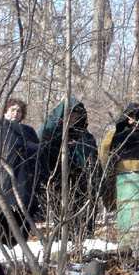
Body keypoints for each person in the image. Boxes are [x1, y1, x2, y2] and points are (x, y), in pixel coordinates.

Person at [38, 98, 101, 238]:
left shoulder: (85, 136)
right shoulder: (51, 133)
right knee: (62, 215)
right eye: (70, 114)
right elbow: (41, 151)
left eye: (76, 115)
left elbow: (93, 159)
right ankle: (62, 242)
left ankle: (82, 242)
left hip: (83, 182)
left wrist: (96, 181)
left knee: (83, 217)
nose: (73, 118)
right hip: (59, 181)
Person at [0, 97, 41, 245]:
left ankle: (19, 252)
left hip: (25, 181)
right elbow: (8, 147)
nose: (16, 113)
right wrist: (26, 147)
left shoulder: (28, 131)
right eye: (13, 110)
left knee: (22, 221)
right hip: (4, 181)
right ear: (6, 111)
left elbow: (37, 151)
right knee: (4, 221)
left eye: (19, 111)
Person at [99, 103, 139, 244]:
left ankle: (137, 244)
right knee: (126, 215)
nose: (135, 120)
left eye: (138, 117)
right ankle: (126, 246)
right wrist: (109, 175)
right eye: (131, 117)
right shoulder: (114, 134)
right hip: (122, 180)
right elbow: (104, 155)